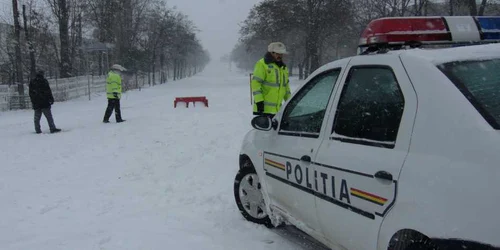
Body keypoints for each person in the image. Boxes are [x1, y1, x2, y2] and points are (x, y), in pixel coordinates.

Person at [251, 42, 292, 117]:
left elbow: (286, 88)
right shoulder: (262, 64)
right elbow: (256, 83)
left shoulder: (283, 67)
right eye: (278, 53)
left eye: (281, 54)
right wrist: (259, 101)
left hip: (277, 111)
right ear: (271, 53)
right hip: (263, 110)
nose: (280, 56)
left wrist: (290, 103)